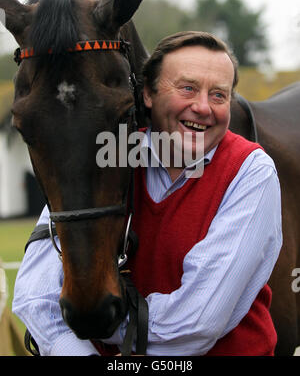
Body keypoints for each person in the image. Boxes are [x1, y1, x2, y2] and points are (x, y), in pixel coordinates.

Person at [12, 31, 282, 356]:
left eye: (219, 96)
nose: (202, 107)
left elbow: (195, 323)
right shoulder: (105, 156)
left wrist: (97, 325)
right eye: (188, 88)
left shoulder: (251, 171)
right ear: (148, 94)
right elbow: (36, 296)